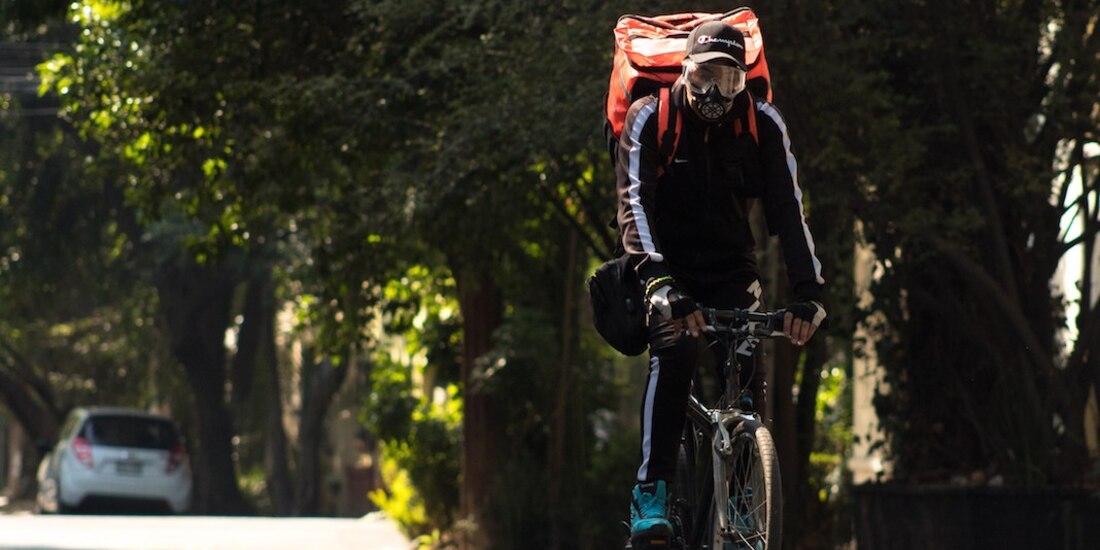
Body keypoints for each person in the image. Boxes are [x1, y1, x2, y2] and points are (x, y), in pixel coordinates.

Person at [615, 21, 826, 546]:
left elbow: (788, 208)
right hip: (666, 264)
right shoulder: (650, 117)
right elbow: (633, 203)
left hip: (733, 267)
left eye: (729, 82)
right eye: (706, 76)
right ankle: (652, 492)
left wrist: (808, 292)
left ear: (743, 83)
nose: (716, 93)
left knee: (747, 367)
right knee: (677, 349)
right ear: (685, 70)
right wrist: (658, 278)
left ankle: (741, 490)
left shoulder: (762, 123)